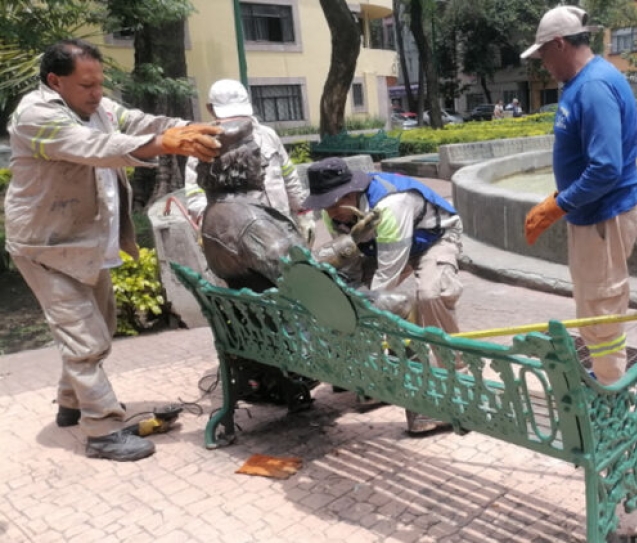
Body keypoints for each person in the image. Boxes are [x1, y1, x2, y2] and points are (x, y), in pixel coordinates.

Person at [4, 39, 222, 461]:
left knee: (99, 325)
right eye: (87, 85)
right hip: (45, 245)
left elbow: (139, 121)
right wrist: (164, 144)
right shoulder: (36, 115)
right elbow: (96, 148)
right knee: (84, 338)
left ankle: (72, 403)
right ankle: (102, 430)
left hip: (83, 240)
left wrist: (191, 128)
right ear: (56, 82)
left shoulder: (98, 108)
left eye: (99, 83)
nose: (97, 92)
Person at [520, 6, 637, 385]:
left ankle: (610, 388)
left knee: (601, 306)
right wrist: (563, 198)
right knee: (593, 301)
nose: (543, 64)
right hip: (592, 214)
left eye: (544, 54)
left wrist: (558, 205)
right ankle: (605, 374)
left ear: (559, 43)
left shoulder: (593, 87)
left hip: (603, 216)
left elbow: (606, 168)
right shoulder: (584, 82)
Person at [303, 157, 463, 434]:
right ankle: (374, 378)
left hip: (433, 238)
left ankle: (456, 374)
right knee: (351, 293)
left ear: (350, 193)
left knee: (429, 295)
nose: (330, 212)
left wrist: (360, 313)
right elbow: (351, 266)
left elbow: (386, 279)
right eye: (324, 205)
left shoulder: (390, 206)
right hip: (383, 244)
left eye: (333, 203)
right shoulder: (334, 214)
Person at [183, 79, 315, 246]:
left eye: (240, 114)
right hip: (240, 237)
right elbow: (196, 196)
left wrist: (303, 212)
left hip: (281, 223)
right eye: (229, 116)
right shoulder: (203, 146)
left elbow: (289, 176)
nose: (237, 121)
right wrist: (208, 224)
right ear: (210, 109)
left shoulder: (267, 136)